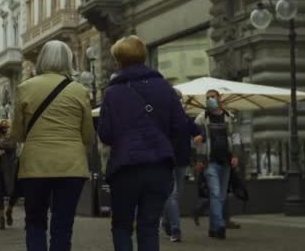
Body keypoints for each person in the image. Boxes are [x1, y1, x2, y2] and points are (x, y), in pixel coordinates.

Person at [98, 35, 188, 251]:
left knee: (121, 226)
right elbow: (181, 128)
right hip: (158, 167)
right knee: (149, 226)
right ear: (143, 57)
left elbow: (105, 134)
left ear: (118, 61)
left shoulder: (112, 92)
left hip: (125, 168)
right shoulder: (165, 88)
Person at [10, 40, 95, 251]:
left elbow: (17, 134)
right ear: (68, 60)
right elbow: (88, 135)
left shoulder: (24, 88)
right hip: (70, 165)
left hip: (35, 165)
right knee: (63, 224)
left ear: (42, 60)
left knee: (35, 222)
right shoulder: (79, 90)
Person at [194, 89, 242, 240]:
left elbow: (236, 137)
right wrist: (199, 159)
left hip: (226, 162)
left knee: (220, 197)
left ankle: (213, 228)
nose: (210, 100)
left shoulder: (229, 117)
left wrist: (235, 155)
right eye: (207, 98)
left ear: (219, 98)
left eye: (212, 97)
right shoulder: (201, 118)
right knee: (215, 194)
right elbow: (196, 142)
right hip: (210, 163)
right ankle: (220, 226)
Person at [161, 89, 204, 242]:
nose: (179, 102)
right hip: (166, 161)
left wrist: (199, 136)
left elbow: (197, 131)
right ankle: (175, 228)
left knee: (176, 195)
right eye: (176, 99)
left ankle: (166, 221)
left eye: (180, 99)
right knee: (171, 194)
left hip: (182, 161)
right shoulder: (162, 118)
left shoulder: (185, 118)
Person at [0, 118, 20, 230]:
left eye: (6, 126)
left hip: (11, 170)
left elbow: (10, 146)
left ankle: (9, 210)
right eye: (2, 126)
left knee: (15, 193)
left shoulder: (12, 138)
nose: (4, 128)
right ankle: (1, 219)